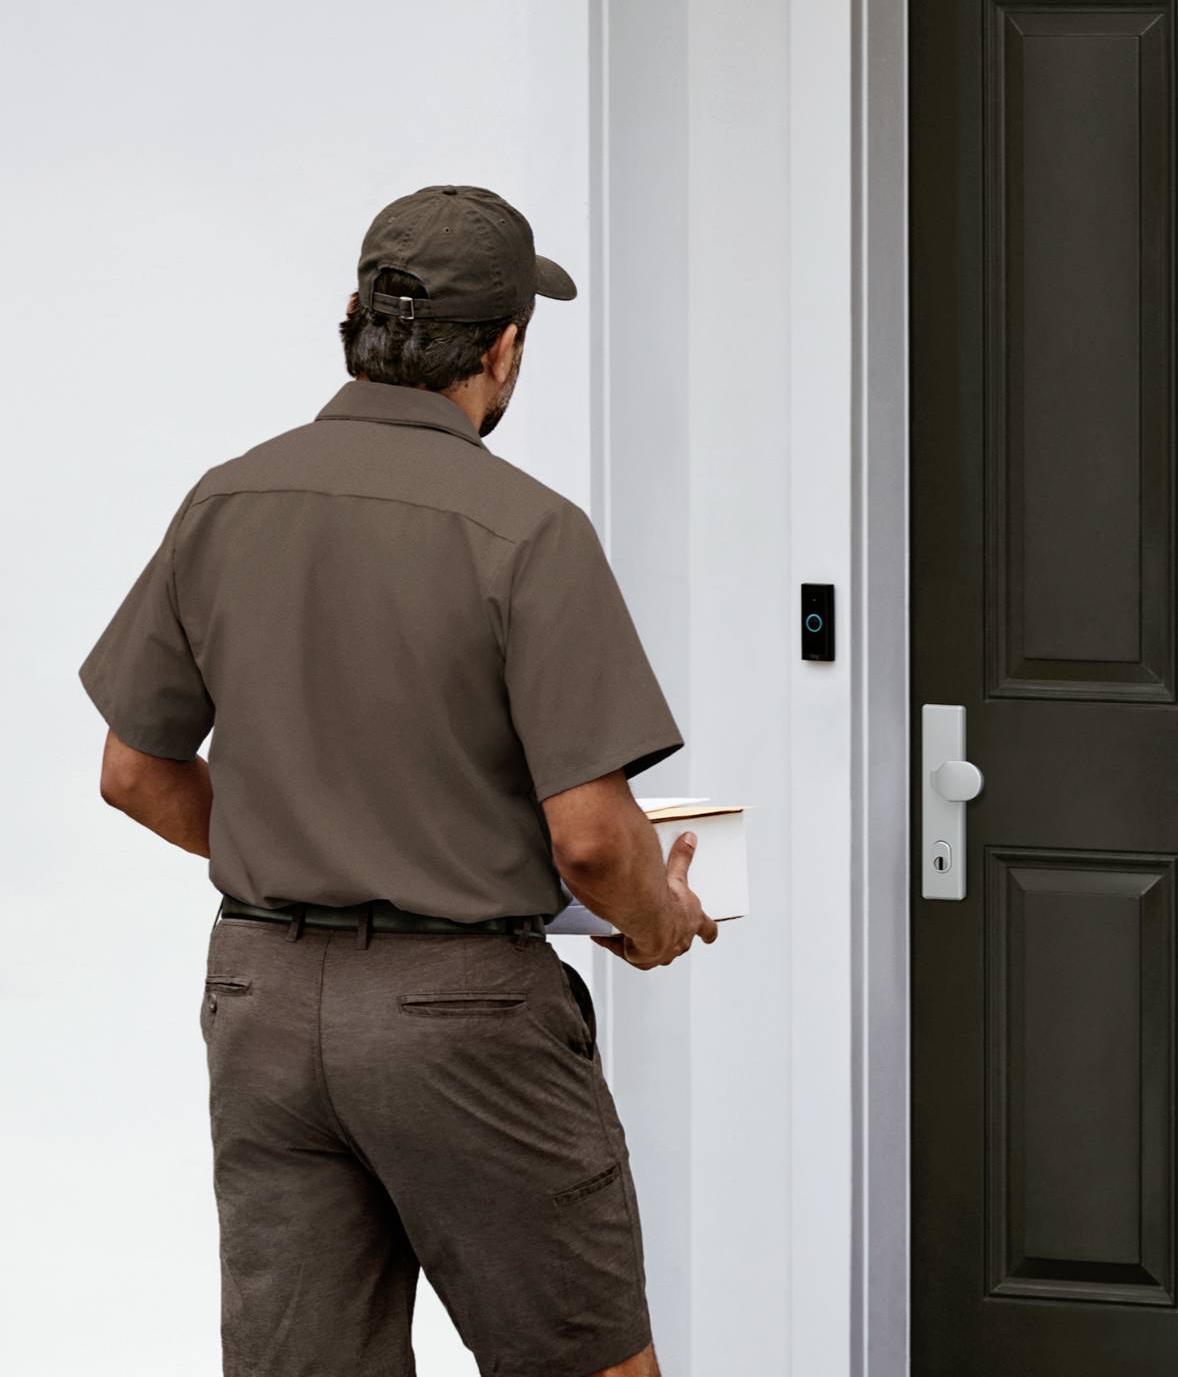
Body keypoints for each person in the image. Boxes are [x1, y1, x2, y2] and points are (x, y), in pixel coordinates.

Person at [81, 183, 713, 1377]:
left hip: (261, 1001)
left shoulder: (226, 497)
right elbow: (589, 837)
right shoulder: (528, 530)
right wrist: (655, 918)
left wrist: (301, 843)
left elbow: (132, 770)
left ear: (356, 323)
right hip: (462, 1016)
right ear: (503, 346)